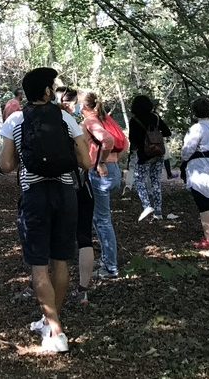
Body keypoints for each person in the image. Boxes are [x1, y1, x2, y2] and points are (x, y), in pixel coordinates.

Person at [0, 68, 90, 354]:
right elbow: (85, 162)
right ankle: (51, 322)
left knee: (39, 266)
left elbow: (6, 165)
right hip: (65, 194)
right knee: (60, 261)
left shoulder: (15, 119)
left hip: (34, 196)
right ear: (48, 92)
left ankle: (56, 330)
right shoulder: (65, 118)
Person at [81, 91, 129, 278]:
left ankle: (110, 267)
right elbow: (125, 144)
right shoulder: (106, 119)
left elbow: (107, 140)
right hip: (113, 171)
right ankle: (106, 260)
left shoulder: (91, 121)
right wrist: (114, 161)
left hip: (100, 173)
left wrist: (101, 162)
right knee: (99, 218)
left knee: (102, 221)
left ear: (84, 107)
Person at [56, 88, 93, 307]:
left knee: (55, 238)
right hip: (80, 186)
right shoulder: (74, 125)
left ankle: (47, 289)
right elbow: (85, 161)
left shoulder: (43, 125)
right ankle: (82, 291)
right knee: (84, 237)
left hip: (57, 188)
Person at [180, 97, 209, 249]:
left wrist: (183, 158)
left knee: (204, 204)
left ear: (194, 112)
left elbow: (187, 151)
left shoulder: (196, 128)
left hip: (200, 169)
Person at [128, 94, 172, 222]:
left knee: (139, 180)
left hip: (144, 155)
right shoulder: (156, 118)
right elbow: (167, 132)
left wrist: (132, 155)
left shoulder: (134, 121)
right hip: (158, 153)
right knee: (156, 182)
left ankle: (147, 206)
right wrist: (155, 134)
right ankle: (158, 212)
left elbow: (133, 140)